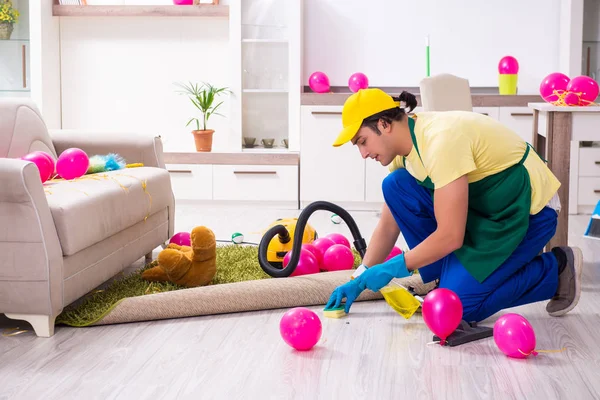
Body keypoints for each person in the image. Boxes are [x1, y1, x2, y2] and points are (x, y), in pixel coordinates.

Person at [325, 88, 583, 323]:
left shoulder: (440, 141)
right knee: (395, 186)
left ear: (384, 124)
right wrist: (360, 276)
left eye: (362, 141)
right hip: (483, 211)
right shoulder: (403, 154)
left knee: (457, 309)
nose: (363, 154)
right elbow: (388, 224)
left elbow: (450, 235)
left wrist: (394, 267)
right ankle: (450, 274)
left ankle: (557, 270)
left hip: (526, 212)